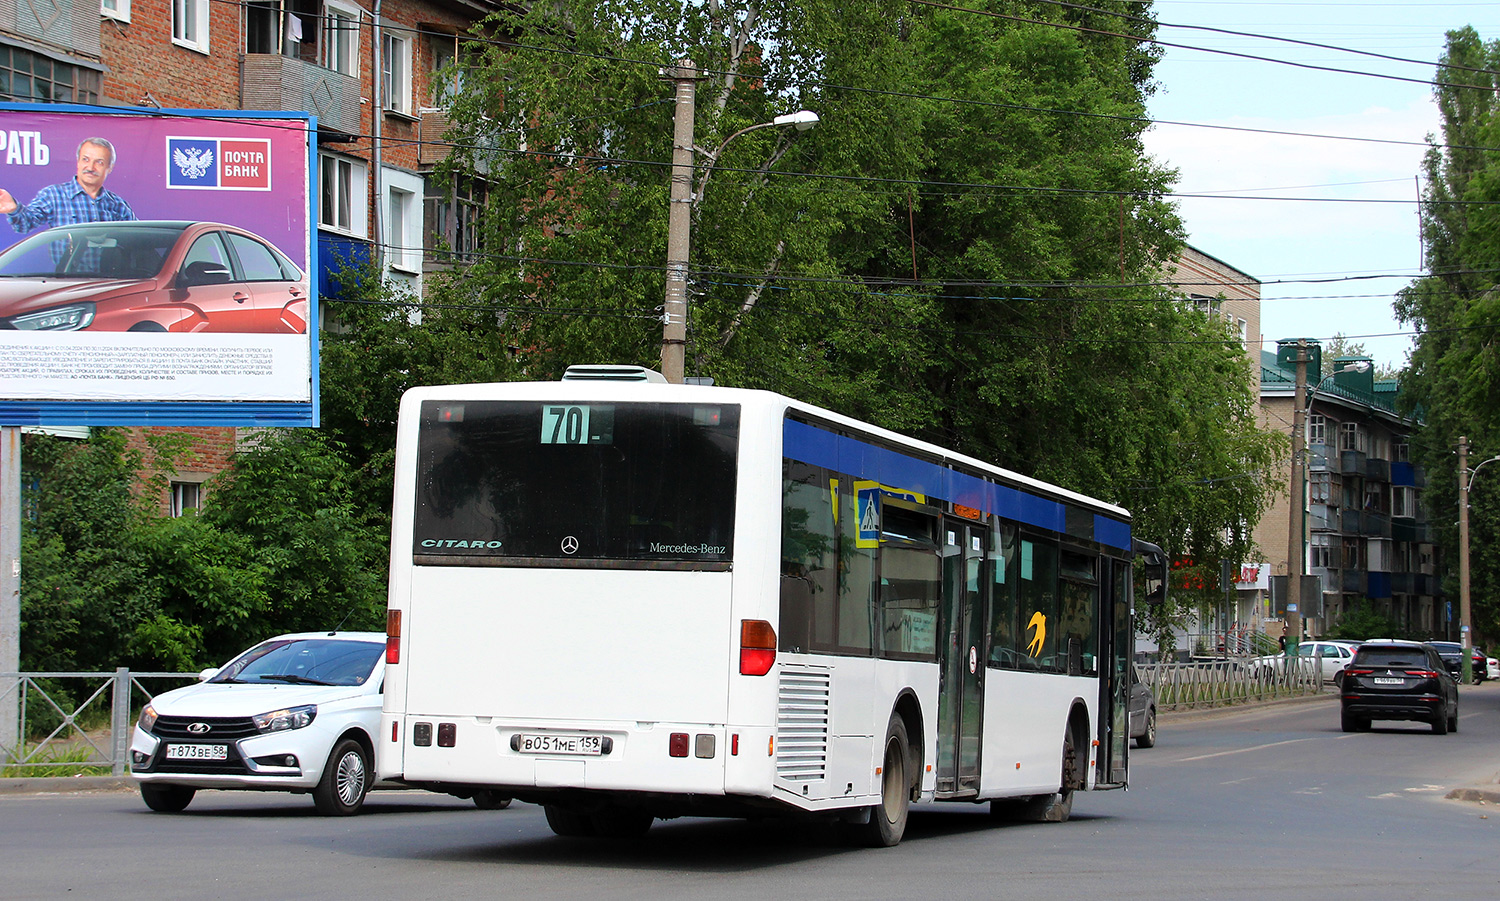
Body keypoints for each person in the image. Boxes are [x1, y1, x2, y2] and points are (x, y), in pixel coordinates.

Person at [0, 137, 136, 234]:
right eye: (85, 160)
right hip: (68, 274)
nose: (90, 167)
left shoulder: (118, 205)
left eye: (99, 162)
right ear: (78, 162)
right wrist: (13, 209)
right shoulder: (54, 195)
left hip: (111, 274)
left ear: (109, 167)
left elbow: (137, 238)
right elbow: (25, 224)